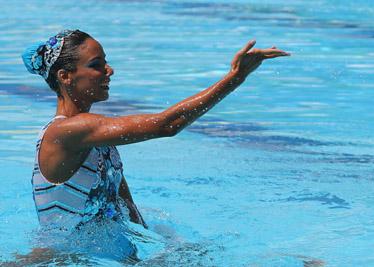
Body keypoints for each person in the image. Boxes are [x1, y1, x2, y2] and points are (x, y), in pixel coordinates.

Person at [21, 29, 289, 248]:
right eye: (96, 65)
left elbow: (128, 210)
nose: (109, 70)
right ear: (65, 77)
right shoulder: (66, 132)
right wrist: (235, 77)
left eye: (106, 62)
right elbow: (167, 125)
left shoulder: (98, 139)